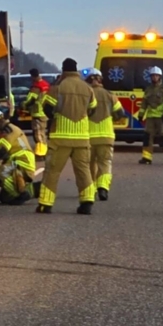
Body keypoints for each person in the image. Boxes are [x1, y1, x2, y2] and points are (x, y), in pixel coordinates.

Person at [38, 58, 97, 214]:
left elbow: (47, 109)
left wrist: (57, 116)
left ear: (63, 70)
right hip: (82, 138)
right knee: (83, 171)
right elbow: (93, 109)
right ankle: (87, 202)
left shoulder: (57, 87)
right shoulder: (87, 88)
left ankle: (46, 203)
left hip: (60, 138)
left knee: (53, 171)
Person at [86, 68, 126, 201]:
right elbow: (120, 114)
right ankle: (102, 187)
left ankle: (89, 189)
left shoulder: (85, 95)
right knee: (105, 163)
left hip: (88, 137)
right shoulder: (110, 95)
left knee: (89, 164)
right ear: (100, 79)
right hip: (106, 135)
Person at [0, 109, 37, 204]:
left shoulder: (7, 131)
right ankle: (33, 189)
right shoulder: (8, 127)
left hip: (21, 159)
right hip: (22, 159)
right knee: (4, 198)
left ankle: (22, 194)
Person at [137, 66, 163, 166]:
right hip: (150, 117)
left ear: (160, 77)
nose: (154, 77)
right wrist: (141, 114)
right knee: (147, 137)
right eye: (152, 76)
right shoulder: (148, 89)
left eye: (156, 76)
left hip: (161, 117)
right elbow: (144, 103)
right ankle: (146, 157)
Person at [24, 68, 51, 158]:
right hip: (44, 112)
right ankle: (44, 151)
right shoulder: (46, 85)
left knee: (38, 133)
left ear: (33, 76)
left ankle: (40, 153)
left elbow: (31, 99)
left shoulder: (36, 86)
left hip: (37, 113)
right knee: (42, 133)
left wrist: (23, 105)